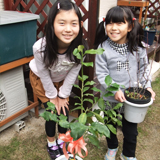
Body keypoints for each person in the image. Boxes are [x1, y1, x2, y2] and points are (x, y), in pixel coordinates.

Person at [94, 6, 156, 160]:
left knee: (131, 129)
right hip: (110, 98)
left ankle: (128, 154)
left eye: (119, 23)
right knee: (110, 126)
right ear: (105, 25)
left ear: (129, 27)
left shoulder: (137, 48)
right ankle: (112, 147)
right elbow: (102, 74)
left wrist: (147, 85)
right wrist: (114, 89)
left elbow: (143, 70)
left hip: (131, 98)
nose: (114, 28)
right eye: (110, 23)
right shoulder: (103, 49)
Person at [29, 0, 88, 159]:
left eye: (73, 23)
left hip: (62, 79)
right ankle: (51, 143)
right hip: (42, 79)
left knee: (64, 109)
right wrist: (53, 96)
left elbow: (73, 72)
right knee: (51, 111)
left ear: (80, 25)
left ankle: (63, 140)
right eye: (62, 23)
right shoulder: (40, 48)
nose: (68, 29)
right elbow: (43, 73)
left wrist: (62, 95)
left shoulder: (80, 48)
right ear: (51, 24)